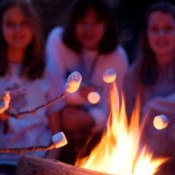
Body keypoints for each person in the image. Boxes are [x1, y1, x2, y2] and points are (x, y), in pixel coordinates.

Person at [46, 0, 128, 164]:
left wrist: (90, 119)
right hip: (53, 131)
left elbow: (115, 110)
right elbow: (51, 87)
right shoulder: (57, 41)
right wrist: (77, 94)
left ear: (107, 25)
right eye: (83, 22)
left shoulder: (117, 57)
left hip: (94, 142)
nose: (88, 29)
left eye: (96, 22)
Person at [0, 0, 64, 174]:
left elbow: (56, 131)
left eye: (24, 24)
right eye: (10, 24)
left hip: (36, 162)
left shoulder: (48, 73)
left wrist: (49, 165)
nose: (17, 30)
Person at [123, 1, 175, 174]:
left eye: (168, 28)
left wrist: (157, 106)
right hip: (147, 164)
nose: (161, 35)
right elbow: (126, 128)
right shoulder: (133, 76)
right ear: (146, 34)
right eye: (155, 29)